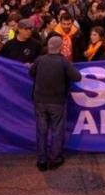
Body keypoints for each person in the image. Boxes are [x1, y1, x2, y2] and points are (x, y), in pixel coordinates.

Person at [29, 36, 82, 171]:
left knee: (41, 130)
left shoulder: (40, 60)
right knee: (57, 130)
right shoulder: (63, 62)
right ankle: (55, 159)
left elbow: (30, 72)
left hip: (40, 100)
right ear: (60, 47)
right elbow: (77, 77)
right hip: (57, 101)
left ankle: (42, 160)